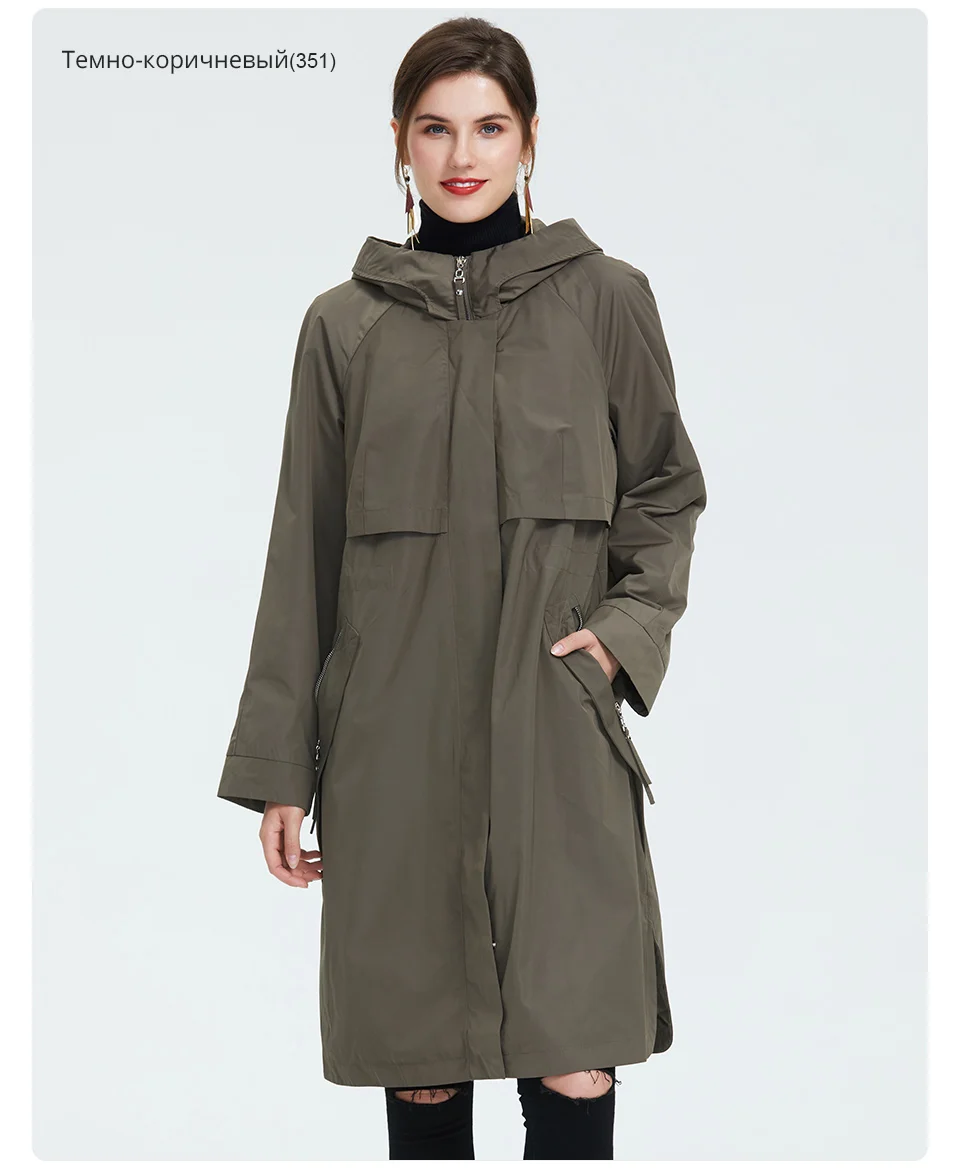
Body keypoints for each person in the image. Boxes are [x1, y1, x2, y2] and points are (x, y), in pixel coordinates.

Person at [217, 16, 707, 1162]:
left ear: (530, 138)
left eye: (489, 127)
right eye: (435, 129)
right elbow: (303, 549)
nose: (462, 155)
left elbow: (664, 490)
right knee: (423, 1067)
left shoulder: (606, 301)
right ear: (399, 142)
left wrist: (622, 633)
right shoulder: (343, 329)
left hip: (556, 740)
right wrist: (281, 768)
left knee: (575, 1051)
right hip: (393, 747)